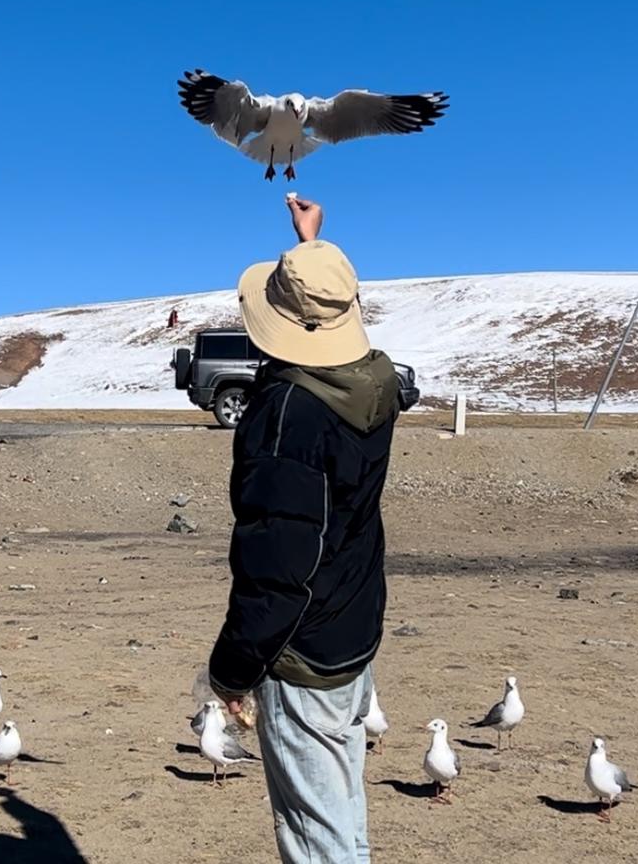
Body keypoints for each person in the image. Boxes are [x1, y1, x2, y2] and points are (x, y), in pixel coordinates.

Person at [209, 196, 400, 863]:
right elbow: (324, 319)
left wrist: (232, 670)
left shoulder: (287, 416)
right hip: (353, 630)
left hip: (304, 655)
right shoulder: (373, 384)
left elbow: (277, 567)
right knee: (342, 823)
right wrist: (312, 245)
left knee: (318, 844)